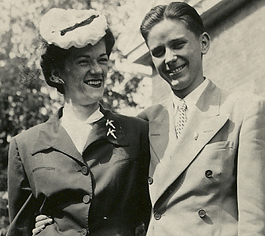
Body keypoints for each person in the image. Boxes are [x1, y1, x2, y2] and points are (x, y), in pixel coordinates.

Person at [7, 8, 150, 236]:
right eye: (84, 62)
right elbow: (20, 229)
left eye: (102, 60)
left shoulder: (137, 131)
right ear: (56, 74)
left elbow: (153, 212)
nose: (97, 70)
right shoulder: (25, 146)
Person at [137, 1, 265, 235]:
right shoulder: (145, 121)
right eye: (158, 52)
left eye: (178, 45)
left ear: (203, 42)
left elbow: (254, 219)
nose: (169, 58)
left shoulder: (243, 110)